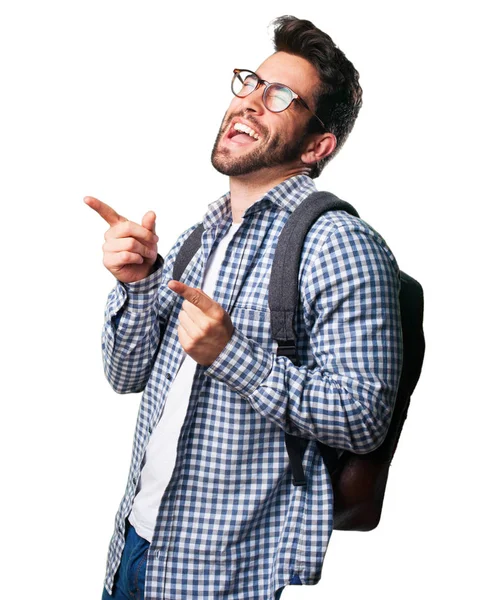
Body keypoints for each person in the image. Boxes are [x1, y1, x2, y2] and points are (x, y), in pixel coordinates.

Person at [85, 15, 403, 600]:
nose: (250, 103)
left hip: (223, 574)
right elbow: (125, 375)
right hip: (133, 548)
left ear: (317, 144)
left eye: (279, 96)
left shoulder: (339, 244)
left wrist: (231, 354)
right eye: (251, 84)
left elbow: (364, 416)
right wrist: (136, 285)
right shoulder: (195, 239)